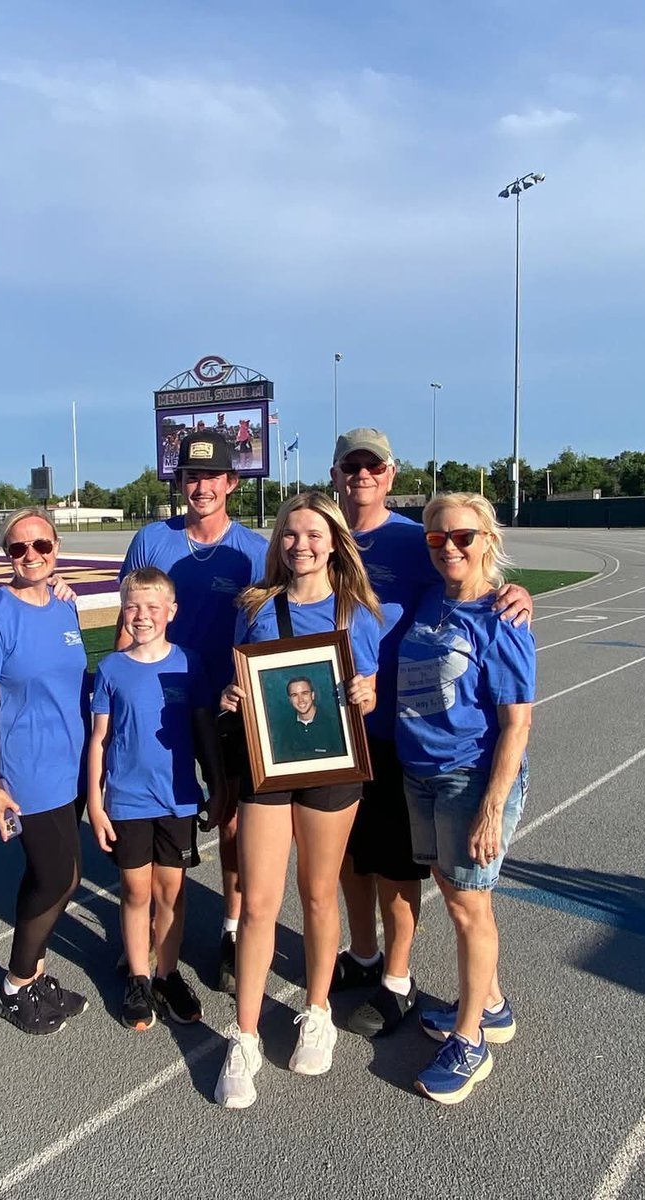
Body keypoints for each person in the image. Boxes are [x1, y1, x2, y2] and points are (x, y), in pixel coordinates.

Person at [327, 429, 532, 1041]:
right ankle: (368, 957)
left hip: (402, 739)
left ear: (390, 474)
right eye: (350, 465)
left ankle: (399, 980)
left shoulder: (416, 540)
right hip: (338, 733)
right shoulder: (319, 536)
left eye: (373, 465)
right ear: (336, 474)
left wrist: (514, 594)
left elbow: (473, 586)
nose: (361, 475)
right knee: (349, 859)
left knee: (402, 871)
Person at [214, 491, 381, 1109]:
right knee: (258, 903)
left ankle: (317, 1011)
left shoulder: (358, 611)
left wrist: (367, 694)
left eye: (313, 534)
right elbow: (241, 678)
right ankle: (246, 1035)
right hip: (268, 766)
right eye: (289, 534)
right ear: (276, 542)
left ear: (335, 541)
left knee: (316, 892)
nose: (300, 545)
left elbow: (369, 686)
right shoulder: (257, 608)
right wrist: (234, 699)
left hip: (332, 768)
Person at [396, 493, 534, 1103]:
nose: (450, 547)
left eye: (463, 537)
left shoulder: (503, 618)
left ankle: (472, 1040)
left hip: (469, 778)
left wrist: (491, 807)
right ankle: (493, 1005)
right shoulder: (431, 600)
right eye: (437, 539)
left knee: (469, 907)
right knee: (453, 892)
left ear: (487, 539)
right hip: (418, 772)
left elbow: (517, 724)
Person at [118, 430, 267, 993]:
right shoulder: (152, 540)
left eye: (211, 476)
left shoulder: (252, 551)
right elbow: (127, 620)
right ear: (180, 481)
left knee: (229, 821)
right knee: (144, 807)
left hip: (227, 704)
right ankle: (140, 939)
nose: (200, 486)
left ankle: (229, 930)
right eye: (190, 476)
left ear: (232, 482)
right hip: (161, 704)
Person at [0, 507, 90, 1036]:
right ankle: (14, 985)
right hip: (28, 772)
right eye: (18, 549)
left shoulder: (65, 607)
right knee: (57, 875)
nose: (31, 556)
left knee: (59, 874)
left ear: (56, 549)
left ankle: (34, 975)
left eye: (42, 546)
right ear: (6, 556)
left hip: (74, 762)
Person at [88, 567, 226, 1030]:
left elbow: (204, 729)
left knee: (172, 891)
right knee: (135, 890)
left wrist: (217, 785)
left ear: (172, 611)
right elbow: (100, 740)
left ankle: (167, 973)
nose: (141, 615)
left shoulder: (188, 663)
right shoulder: (110, 669)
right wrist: (94, 800)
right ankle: (139, 977)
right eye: (132, 606)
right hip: (127, 801)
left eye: (152, 607)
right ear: (122, 609)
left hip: (179, 800)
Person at [276, 676, 345, 761]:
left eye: (304, 693)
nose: (300, 700)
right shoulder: (284, 729)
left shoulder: (334, 725)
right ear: (290, 699)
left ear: (312, 695)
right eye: (294, 695)